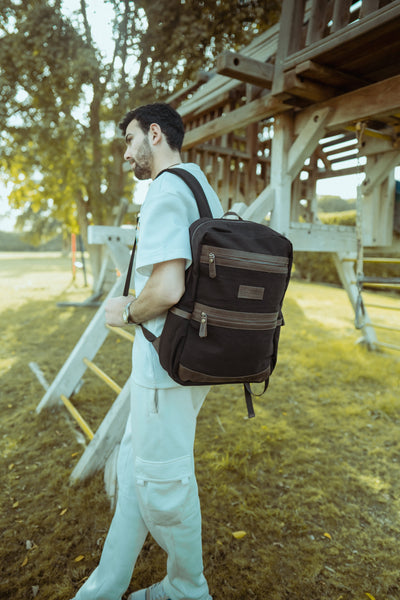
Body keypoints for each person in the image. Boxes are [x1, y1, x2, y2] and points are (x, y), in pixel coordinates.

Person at [71, 103, 223, 600]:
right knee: (140, 460)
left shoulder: (164, 190)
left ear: (154, 134)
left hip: (166, 364)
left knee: (164, 480)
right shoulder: (201, 186)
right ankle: (105, 585)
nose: (126, 154)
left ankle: (186, 589)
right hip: (197, 355)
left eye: (130, 140)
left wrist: (125, 312)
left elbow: (167, 289)